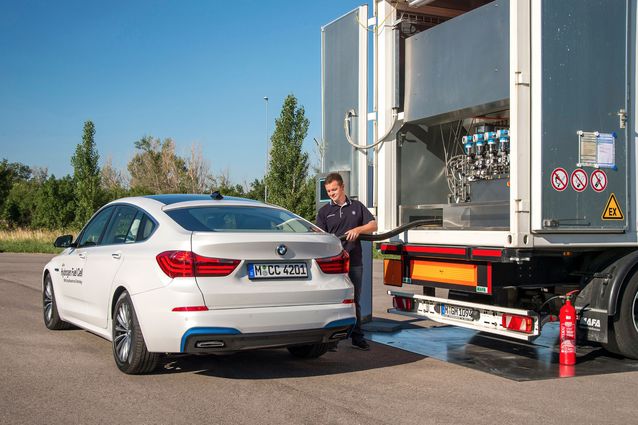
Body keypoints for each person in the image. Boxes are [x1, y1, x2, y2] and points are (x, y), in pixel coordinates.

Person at [316, 172, 377, 350]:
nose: (331, 194)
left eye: (334, 189)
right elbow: (320, 237)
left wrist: (358, 230)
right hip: (333, 264)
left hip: (354, 261)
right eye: (328, 191)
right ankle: (330, 340)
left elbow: (373, 225)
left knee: (354, 300)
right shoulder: (324, 212)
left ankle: (357, 338)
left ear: (343, 187)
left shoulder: (357, 207)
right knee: (332, 299)